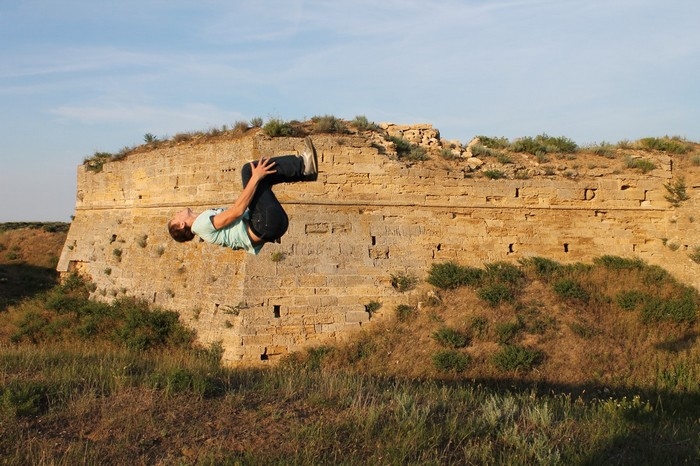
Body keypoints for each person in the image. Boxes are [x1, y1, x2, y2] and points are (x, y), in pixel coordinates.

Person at [167, 136, 318, 255]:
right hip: (265, 224)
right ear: (181, 224)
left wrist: (260, 183)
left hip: (269, 226)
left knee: (259, 178)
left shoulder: (202, 225)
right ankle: (304, 166)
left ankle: (305, 172)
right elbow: (236, 211)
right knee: (249, 171)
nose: (177, 213)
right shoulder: (200, 225)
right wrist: (255, 178)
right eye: (176, 216)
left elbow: (241, 225)